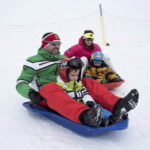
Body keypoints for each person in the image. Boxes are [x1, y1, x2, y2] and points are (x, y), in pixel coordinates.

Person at [16, 32, 139, 127]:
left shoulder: (62, 57)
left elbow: (71, 72)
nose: (57, 46)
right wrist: (30, 93)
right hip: (46, 95)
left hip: (68, 89)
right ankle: (86, 116)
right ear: (45, 44)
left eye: (59, 43)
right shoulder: (32, 61)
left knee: (88, 82)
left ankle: (118, 105)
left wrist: (76, 64)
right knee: (51, 87)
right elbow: (20, 83)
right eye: (54, 43)